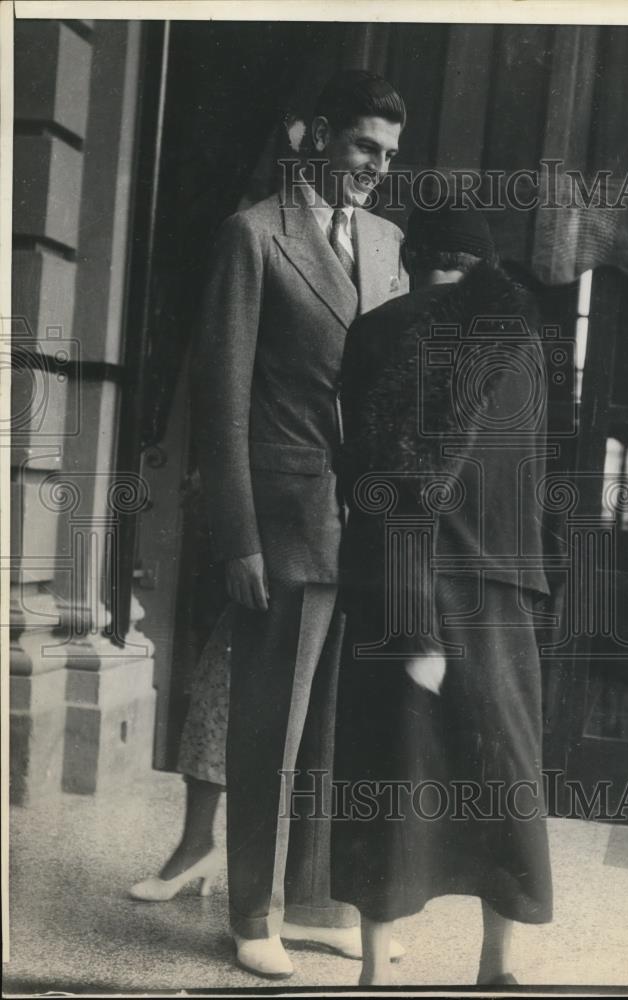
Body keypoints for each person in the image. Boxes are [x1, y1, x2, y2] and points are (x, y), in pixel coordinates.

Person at [169, 70, 409, 979]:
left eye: (387, 156)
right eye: (360, 148)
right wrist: (237, 538)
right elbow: (220, 398)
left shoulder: (387, 244)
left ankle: (313, 898)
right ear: (315, 138)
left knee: (338, 727)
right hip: (281, 518)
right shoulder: (253, 236)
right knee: (269, 726)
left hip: (367, 525)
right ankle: (250, 914)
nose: (374, 169)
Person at [332, 205, 560, 985]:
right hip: (499, 590)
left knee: (385, 775)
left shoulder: (376, 331)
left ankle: (373, 972)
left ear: (412, 259)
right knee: (506, 782)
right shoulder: (522, 339)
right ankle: (496, 968)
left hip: (394, 582)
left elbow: (375, 480)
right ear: (484, 266)